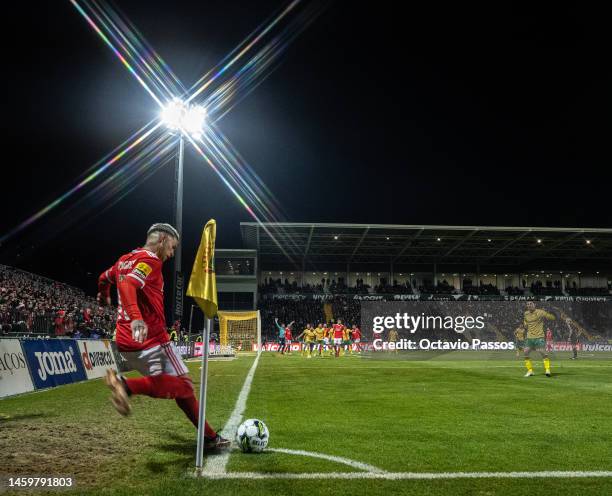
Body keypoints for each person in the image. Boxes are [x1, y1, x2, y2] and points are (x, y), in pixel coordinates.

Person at [97, 222, 229, 450]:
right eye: (172, 247)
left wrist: (103, 294)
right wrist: (136, 316)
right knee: (185, 387)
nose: (172, 253)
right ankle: (126, 386)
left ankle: (209, 438)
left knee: (175, 387)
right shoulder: (150, 260)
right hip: (151, 339)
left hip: (126, 343)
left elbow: (104, 277)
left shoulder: (124, 260)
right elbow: (129, 283)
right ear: (162, 240)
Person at [522, 302, 556, 377]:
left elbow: (550, 317)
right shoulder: (526, 313)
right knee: (525, 353)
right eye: (527, 304)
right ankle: (530, 371)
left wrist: (551, 315)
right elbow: (525, 321)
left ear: (534, 305)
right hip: (529, 337)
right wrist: (525, 324)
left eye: (531, 304)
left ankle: (547, 370)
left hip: (539, 336)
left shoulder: (540, 312)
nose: (529, 305)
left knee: (542, 352)